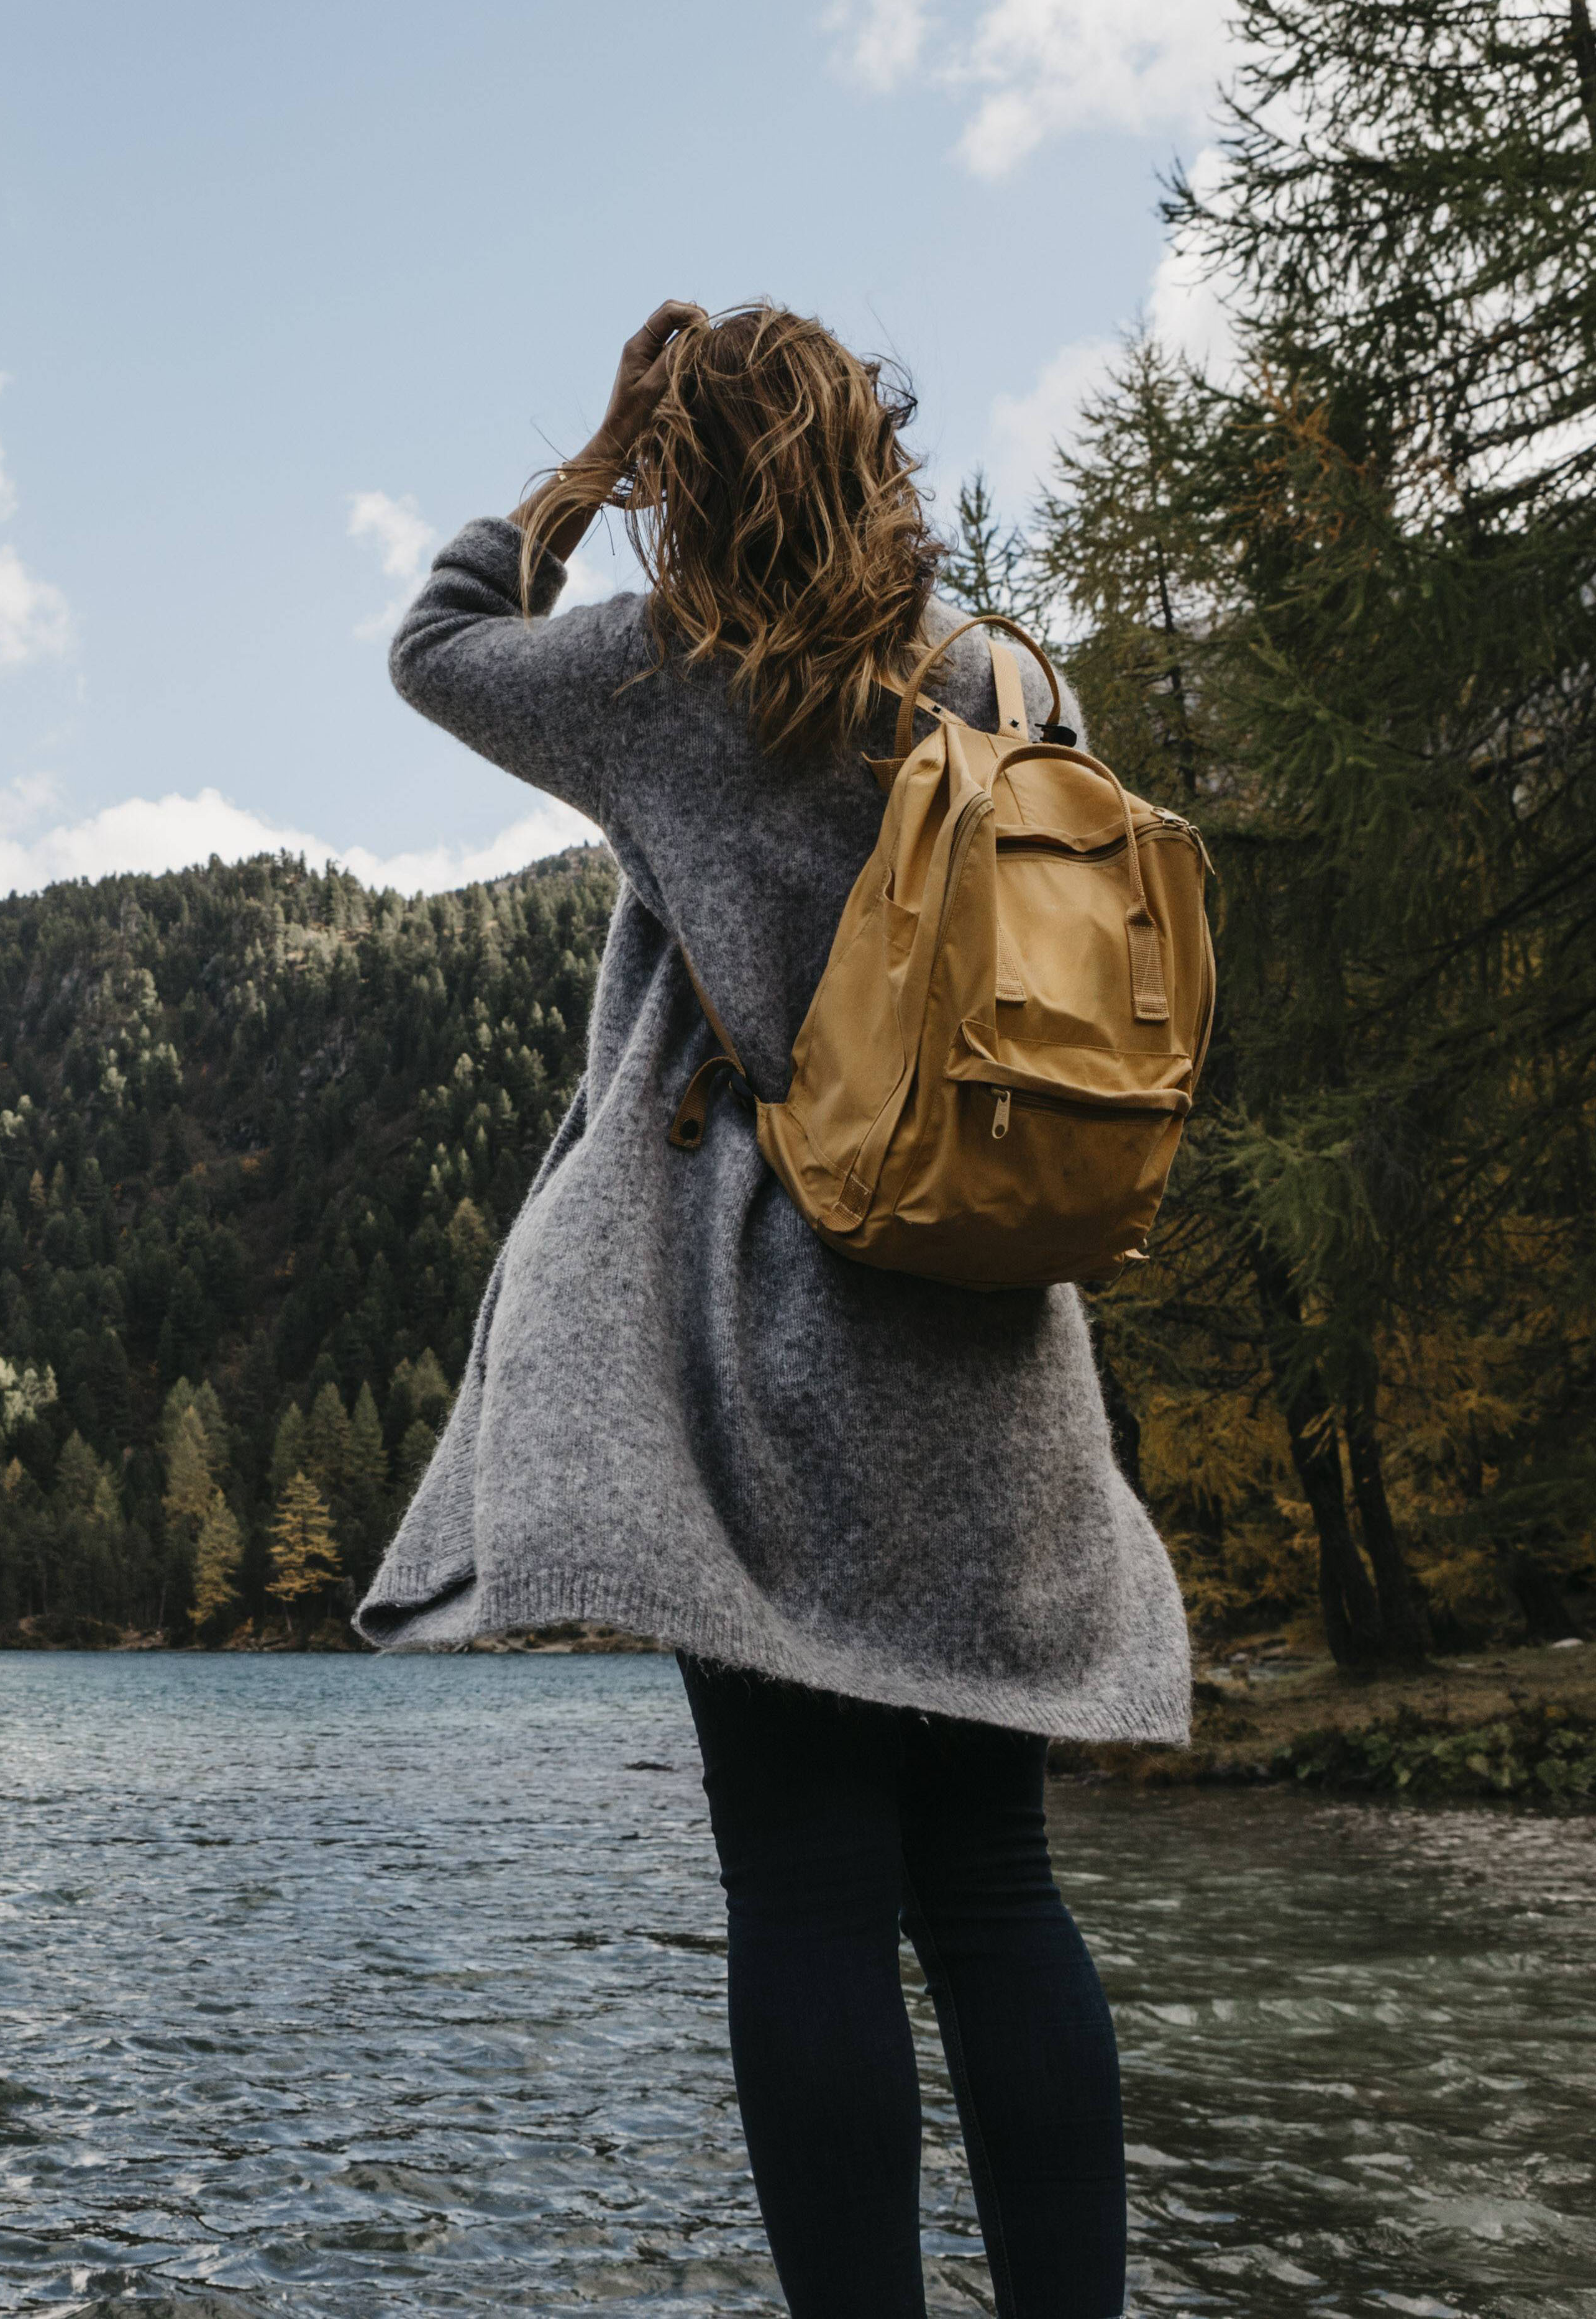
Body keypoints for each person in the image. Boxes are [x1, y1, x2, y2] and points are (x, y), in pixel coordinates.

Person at [353, 302, 1192, 2317]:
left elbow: (432, 645)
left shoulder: (662, 680)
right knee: (994, 1892)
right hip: (990, 1349)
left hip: (764, 1353)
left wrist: (569, 482)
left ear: (684, 488)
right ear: (871, 456)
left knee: (806, 1896)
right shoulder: (1002, 674)